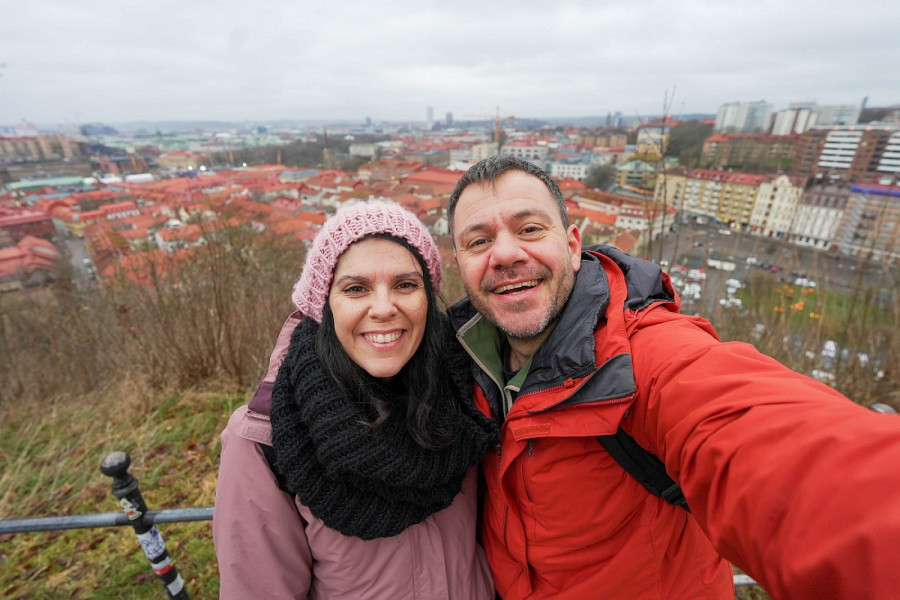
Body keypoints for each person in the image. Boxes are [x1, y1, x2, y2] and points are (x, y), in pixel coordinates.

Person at [445, 155, 900, 600]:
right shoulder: (458, 364)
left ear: (571, 244)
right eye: (478, 241)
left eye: (529, 229)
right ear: (459, 263)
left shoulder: (645, 358)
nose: (505, 253)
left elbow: (777, 449)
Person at [213, 200, 498, 599]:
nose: (383, 308)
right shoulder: (263, 440)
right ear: (324, 305)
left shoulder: (465, 398)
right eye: (356, 288)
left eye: (405, 284)